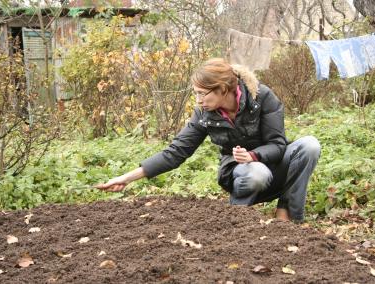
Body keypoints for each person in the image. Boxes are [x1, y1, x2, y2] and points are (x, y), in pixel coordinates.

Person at [96, 58, 321, 222]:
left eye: (202, 93)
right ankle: (239, 219)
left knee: (309, 145)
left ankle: (286, 214)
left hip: (273, 164)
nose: (199, 100)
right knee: (256, 172)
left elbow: (278, 145)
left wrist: (254, 155)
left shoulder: (261, 97)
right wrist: (127, 177)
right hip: (242, 173)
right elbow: (175, 153)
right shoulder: (204, 114)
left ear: (223, 89)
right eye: (196, 94)